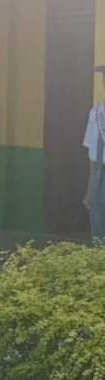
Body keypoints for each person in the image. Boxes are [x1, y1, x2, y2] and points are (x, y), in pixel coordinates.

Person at [84, 65, 105, 246]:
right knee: (97, 214)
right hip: (99, 171)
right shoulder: (96, 112)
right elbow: (92, 153)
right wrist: (90, 189)